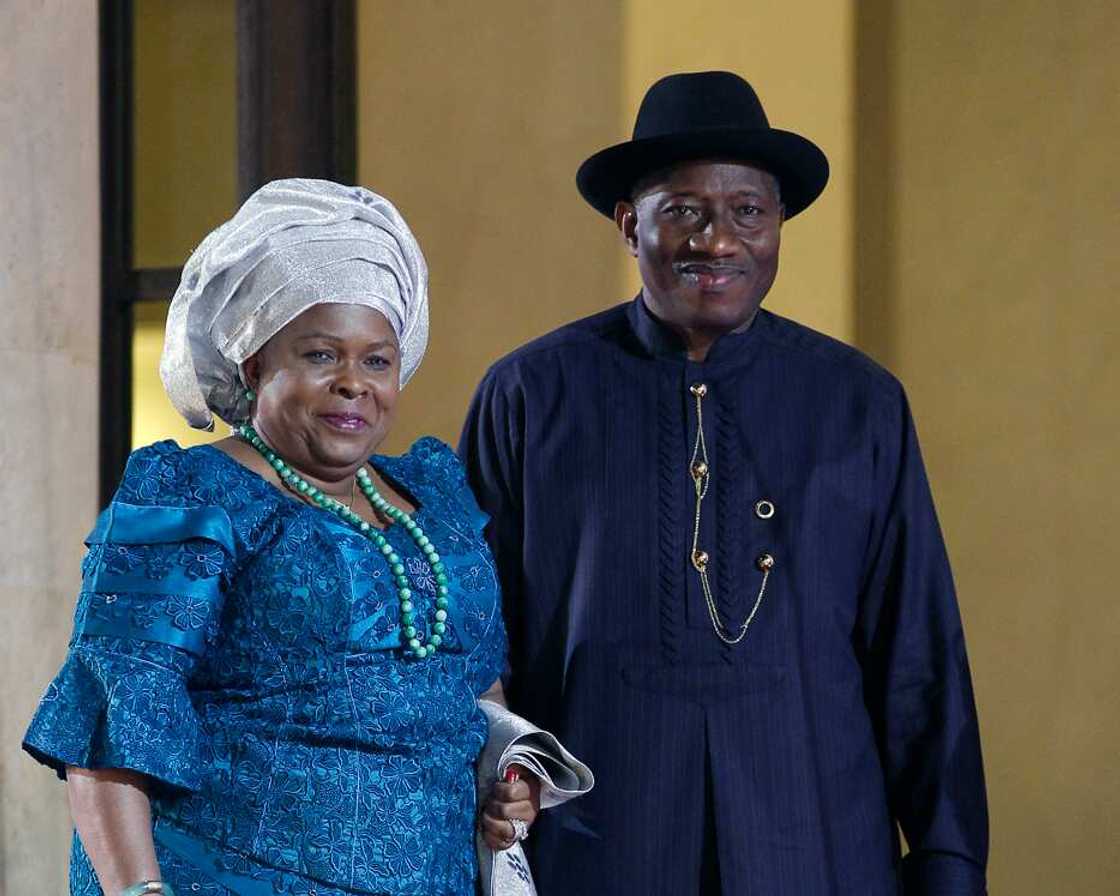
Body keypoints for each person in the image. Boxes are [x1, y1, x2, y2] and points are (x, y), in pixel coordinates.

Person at [459, 71, 988, 895]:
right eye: (683, 211)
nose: (718, 240)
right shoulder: (529, 396)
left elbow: (918, 657)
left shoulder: (859, 403)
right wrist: (488, 795)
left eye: (748, 211)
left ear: (778, 226)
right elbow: (474, 644)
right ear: (630, 225)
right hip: (600, 854)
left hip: (818, 848)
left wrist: (949, 867)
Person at [23, 179, 540, 896]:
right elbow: (112, 720)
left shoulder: (434, 503)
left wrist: (506, 782)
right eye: (322, 356)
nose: (354, 384)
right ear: (255, 364)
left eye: (377, 360)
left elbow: (476, 687)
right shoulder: (192, 497)